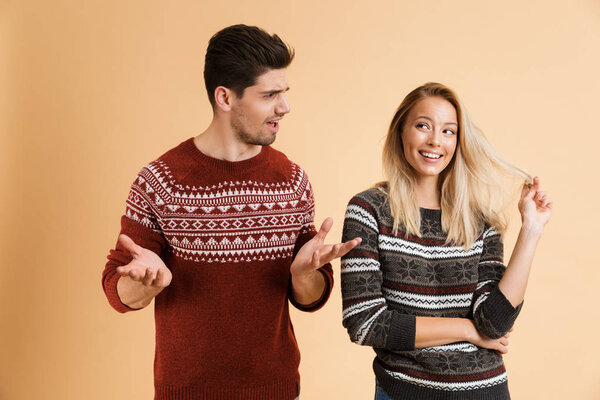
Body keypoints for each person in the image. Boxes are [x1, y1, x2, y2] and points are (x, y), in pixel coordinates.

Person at [102, 24, 360, 400]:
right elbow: (117, 290)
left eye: (284, 93)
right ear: (225, 97)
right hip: (185, 392)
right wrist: (141, 284)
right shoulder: (159, 181)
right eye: (270, 95)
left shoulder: (292, 180)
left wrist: (304, 275)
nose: (284, 107)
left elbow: (309, 298)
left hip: (276, 389)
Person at [340, 82, 552, 400]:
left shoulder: (482, 219)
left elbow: (493, 323)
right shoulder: (370, 209)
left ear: (459, 140)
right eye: (423, 126)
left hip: (486, 392)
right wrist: (467, 330)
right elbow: (366, 323)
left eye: (448, 131)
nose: (435, 141)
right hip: (405, 393)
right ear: (401, 131)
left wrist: (531, 230)